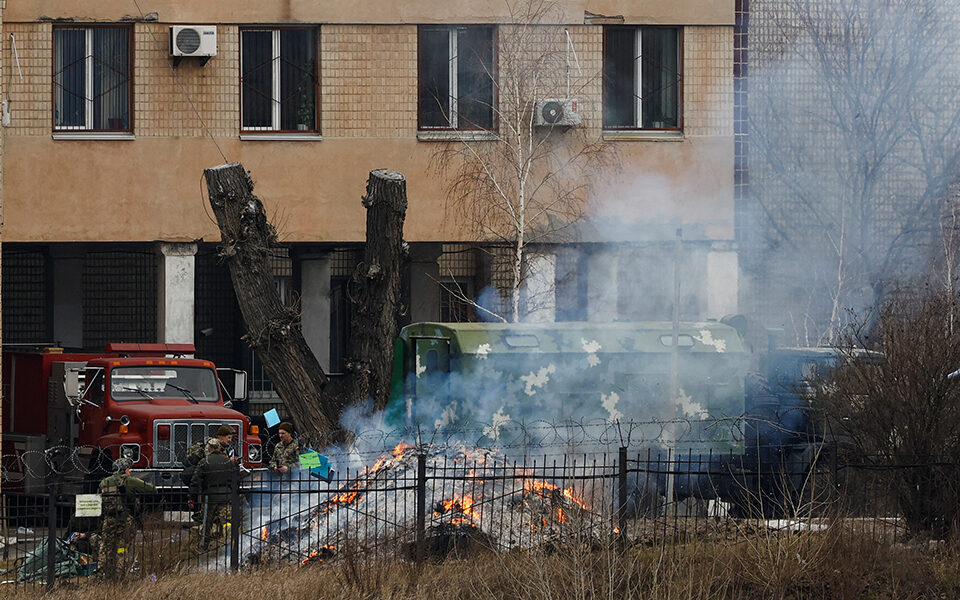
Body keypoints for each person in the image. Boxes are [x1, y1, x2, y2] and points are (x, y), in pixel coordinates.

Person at [97, 457, 156, 580]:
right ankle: (119, 573)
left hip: (109, 520)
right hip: (125, 520)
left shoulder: (104, 482)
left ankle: (102, 573)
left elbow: (99, 500)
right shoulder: (130, 481)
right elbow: (151, 489)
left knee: (105, 546)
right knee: (122, 547)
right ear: (126, 469)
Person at [189, 438, 239, 550]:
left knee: (207, 522)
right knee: (227, 521)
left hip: (209, 497)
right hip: (226, 496)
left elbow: (195, 481)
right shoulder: (228, 462)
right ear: (219, 448)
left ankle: (204, 544)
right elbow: (235, 480)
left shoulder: (204, 462)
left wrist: (192, 497)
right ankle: (230, 544)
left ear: (209, 448)